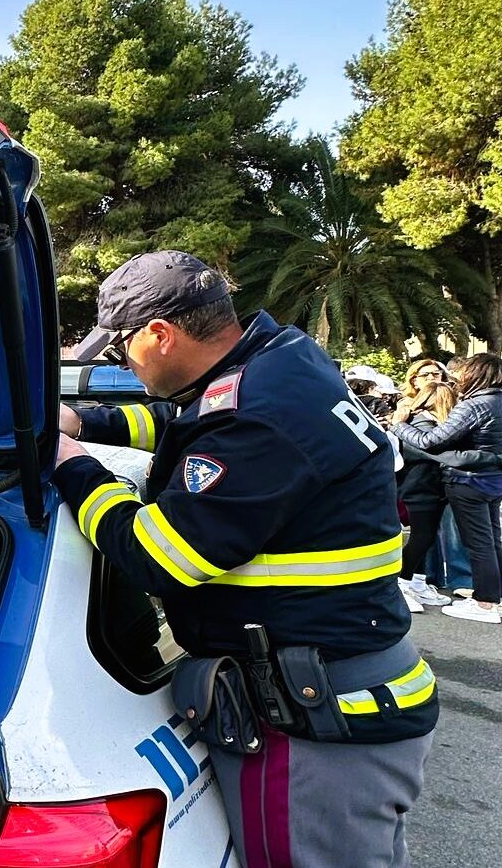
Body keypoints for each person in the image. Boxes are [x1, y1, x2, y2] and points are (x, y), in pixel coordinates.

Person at [58, 250, 437, 868]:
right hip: (340, 689)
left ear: (160, 334)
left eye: (121, 345)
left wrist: (72, 467)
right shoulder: (275, 361)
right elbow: (187, 425)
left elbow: (159, 558)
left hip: (310, 720)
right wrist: (85, 421)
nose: (120, 359)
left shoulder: (263, 415)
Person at [389, 353, 502, 624]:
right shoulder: (485, 403)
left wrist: (398, 425)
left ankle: (486, 601)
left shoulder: (474, 405)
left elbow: (432, 442)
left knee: (479, 542)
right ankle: (489, 596)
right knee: (487, 540)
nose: (452, 379)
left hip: (467, 481)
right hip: (475, 482)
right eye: (425, 375)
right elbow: (431, 442)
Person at [390, 379, 458, 612]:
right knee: (422, 537)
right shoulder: (422, 424)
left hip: (427, 488)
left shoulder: (417, 422)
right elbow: (429, 451)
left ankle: (416, 583)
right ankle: (401, 583)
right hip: (419, 488)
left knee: (426, 538)